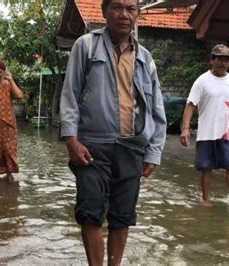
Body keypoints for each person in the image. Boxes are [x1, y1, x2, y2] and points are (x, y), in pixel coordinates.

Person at [59, 0, 166, 264]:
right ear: (104, 11)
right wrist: (71, 139)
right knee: (90, 212)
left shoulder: (145, 57)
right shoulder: (86, 46)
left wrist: (153, 152)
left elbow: (155, 107)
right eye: (117, 7)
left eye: (131, 9)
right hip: (91, 145)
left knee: (122, 215)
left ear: (138, 15)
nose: (124, 14)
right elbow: (70, 94)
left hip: (131, 146)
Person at [180, 44, 229, 211]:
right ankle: (205, 198)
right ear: (212, 60)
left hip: (227, 133)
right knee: (206, 167)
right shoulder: (202, 81)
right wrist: (185, 128)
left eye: (226, 60)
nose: (223, 63)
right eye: (219, 59)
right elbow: (190, 105)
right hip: (206, 132)